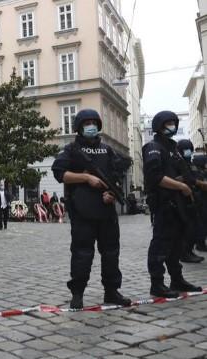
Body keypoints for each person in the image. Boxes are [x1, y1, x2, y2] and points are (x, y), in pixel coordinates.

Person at [51, 109, 131, 309]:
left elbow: (117, 175)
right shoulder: (71, 149)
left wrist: (112, 193)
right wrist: (86, 178)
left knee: (111, 252)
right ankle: (77, 293)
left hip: (106, 210)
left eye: (93, 122)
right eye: (86, 123)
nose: (91, 126)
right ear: (79, 127)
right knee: (82, 254)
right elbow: (60, 173)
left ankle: (111, 292)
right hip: (82, 210)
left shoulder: (107, 149)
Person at [142, 111, 202, 298]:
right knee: (160, 245)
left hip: (178, 205)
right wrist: (181, 186)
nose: (172, 126)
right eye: (167, 123)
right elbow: (155, 177)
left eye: (173, 122)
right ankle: (157, 284)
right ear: (159, 126)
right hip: (164, 204)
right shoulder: (153, 147)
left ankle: (177, 279)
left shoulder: (173, 147)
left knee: (176, 245)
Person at [175, 140, 205, 263]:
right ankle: (185, 253)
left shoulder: (190, 163)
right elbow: (184, 179)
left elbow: (194, 177)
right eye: (185, 149)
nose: (188, 151)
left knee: (195, 226)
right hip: (183, 199)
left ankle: (189, 250)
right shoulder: (178, 163)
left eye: (189, 148)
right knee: (188, 227)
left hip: (194, 198)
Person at [194, 154, 207, 252]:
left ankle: (200, 243)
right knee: (201, 223)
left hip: (201, 202)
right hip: (201, 202)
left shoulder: (199, 172)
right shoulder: (199, 173)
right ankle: (200, 244)